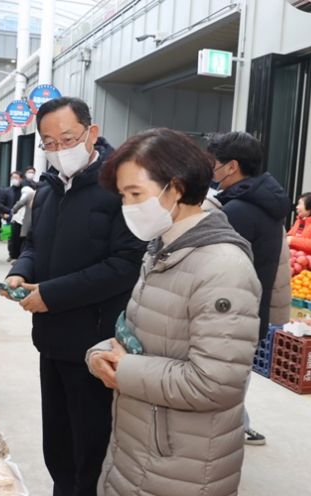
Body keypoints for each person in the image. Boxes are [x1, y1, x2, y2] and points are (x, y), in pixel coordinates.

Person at [89, 128, 261, 496]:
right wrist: (102, 355)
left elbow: (215, 383)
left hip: (182, 464)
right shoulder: (163, 250)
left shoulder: (222, 268)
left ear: (176, 188)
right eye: (123, 196)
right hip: (141, 445)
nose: (128, 207)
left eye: (136, 194)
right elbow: (143, 337)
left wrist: (127, 371)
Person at [0, 97, 145, 496]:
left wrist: (51, 294)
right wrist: (20, 272)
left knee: (92, 450)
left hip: (96, 343)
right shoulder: (46, 191)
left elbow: (125, 265)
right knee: (58, 446)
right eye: (49, 142)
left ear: (91, 133)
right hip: (51, 339)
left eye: (67, 138)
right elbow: (33, 247)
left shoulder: (120, 190)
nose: (59, 150)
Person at [206, 131, 292, 446]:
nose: (211, 170)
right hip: (253, 311)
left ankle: (227, 438)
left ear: (231, 167)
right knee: (236, 382)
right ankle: (237, 427)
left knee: (224, 389)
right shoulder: (264, 203)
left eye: (214, 164)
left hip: (232, 315)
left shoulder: (238, 211)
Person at [9, 180, 36, 262]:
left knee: (22, 240)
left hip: (25, 219)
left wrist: (13, 210)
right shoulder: (38, 192)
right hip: (34, 220)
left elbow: (21, 202)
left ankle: (20, 258)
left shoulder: (27, 192)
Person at [6, 171, 25, 261]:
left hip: (22, 217)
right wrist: (4, 213)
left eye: (17, 177)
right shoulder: (7, 190)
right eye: (13, 177)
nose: (15, 179)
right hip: (10, 215)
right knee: (11, 237)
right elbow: (4, 202)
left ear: (21, 178)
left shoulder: (24, 190)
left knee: (19, 237)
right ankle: (12, 254)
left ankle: (18, 255)